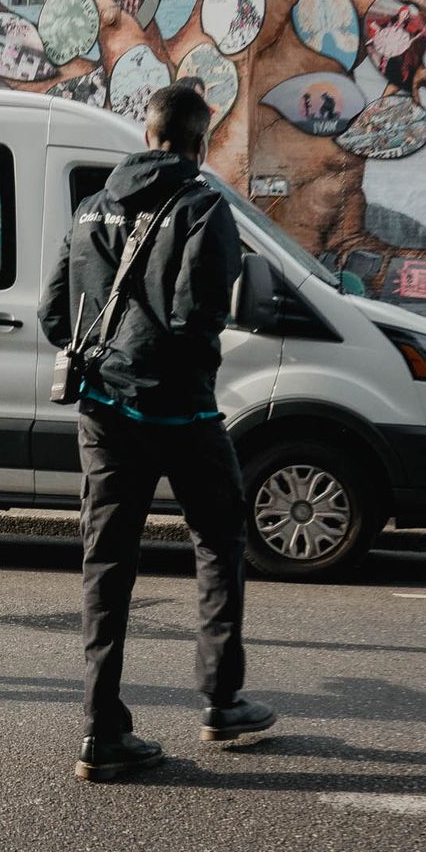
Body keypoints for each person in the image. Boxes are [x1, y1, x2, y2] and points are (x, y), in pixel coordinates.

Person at [39, 85, 275, 783]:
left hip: (105, 414)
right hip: (181, 413)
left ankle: (101, 730)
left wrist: (111, 362)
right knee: (219, 540)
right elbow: (195, 316)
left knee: (106, 564)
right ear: (200, 143)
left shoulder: (90, 208)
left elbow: (56, 313)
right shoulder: (205, 207)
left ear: (148, 135)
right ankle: (221, 700)